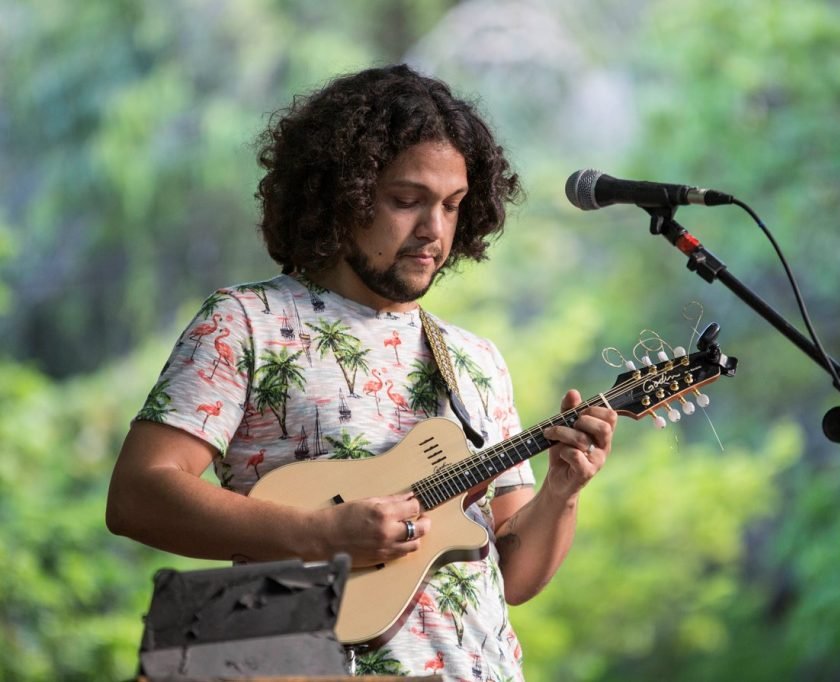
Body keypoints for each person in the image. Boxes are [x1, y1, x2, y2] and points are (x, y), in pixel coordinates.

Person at [106, 64, 617, 680]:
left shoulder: (477, 362)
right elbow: (137, 494)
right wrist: (319, 532)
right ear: (340, 194)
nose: (434, 230)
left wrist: (563, 490)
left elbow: (516, 577)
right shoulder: (247, 321)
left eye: (453, 206)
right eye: (407, 201)